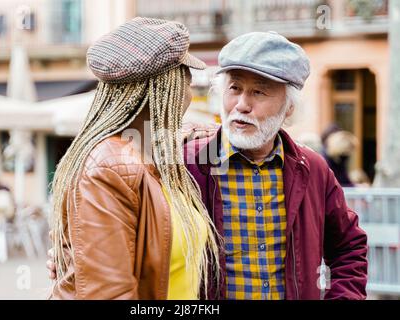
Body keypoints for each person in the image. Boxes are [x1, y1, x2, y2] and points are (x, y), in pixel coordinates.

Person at [49, 31, 368, 300]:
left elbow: (350, 246)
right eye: (234, 88)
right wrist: (75, 262)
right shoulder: (178, 162)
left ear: (288, 107)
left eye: (259, 92)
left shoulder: (312, 169)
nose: (242, 104)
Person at [48, 17, 221, 300]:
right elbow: (109, 294)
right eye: (187, 82)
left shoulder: (154, 155)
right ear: (166, 88)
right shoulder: (109, 167)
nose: (191, 94)